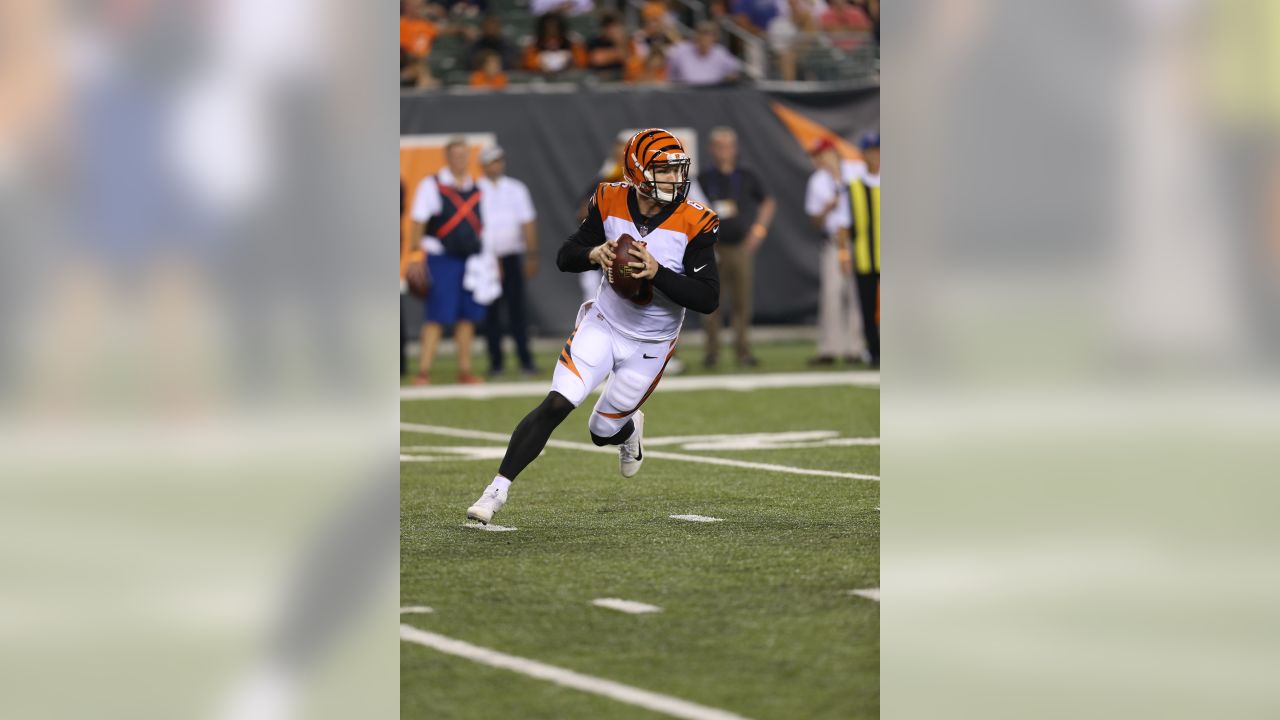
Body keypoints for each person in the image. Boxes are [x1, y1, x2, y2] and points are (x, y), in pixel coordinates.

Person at [466, 128, 721, 525]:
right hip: (604, 323)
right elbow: (566, 256)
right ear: (637, 171)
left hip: (651, 343)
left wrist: (656, 273)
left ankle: (628, 430)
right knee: (557, 402)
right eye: (664, 171)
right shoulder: (609, 197)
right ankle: (495, 491)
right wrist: (593, 252)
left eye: (677, 170)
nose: (675, 179)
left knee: (601, 431)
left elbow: (708, 298)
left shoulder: (696, 221)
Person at [409, 137, 488, 385]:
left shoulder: (476, 187)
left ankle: (464, 369)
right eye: (455, 155)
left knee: (466, 317)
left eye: (464, 154)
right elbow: (418, 221)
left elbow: (484, 226)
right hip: (441, 258)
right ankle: (423, 371)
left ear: (469, 157)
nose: (460, 159)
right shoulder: (431, 185)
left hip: (471, 259)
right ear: (447, 157)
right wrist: (415, 255)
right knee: (437, 316)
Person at [697, 126, 775, 368]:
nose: (724, 151)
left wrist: (759, 230)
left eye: (729, 146)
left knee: (742, 302)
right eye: (719, 146)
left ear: (735, 149)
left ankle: (743, 352)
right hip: (713, 248)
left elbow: (768, 202)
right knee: (710, 302)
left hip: (740, 246)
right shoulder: (703, 178)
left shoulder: (746, 176)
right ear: (711, 149)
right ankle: (712, 353)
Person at [477, 145, 539, 376]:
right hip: (486, 259)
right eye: (493, 161)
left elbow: (528, 222)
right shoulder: (475, 189)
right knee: (491, 313)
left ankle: (526, 360)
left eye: (499, 160)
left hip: (512, 255)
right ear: (483, 164)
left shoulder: (516, 188)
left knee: (517, 311)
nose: (497, 165)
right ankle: (496, 363)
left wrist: (532, 254)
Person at [804, 136, 865, 365]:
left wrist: (840, 179)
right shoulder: (817, 181)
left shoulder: (855, 170)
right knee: (832, 295)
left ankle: (856, 348)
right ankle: (829, 348)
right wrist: (827, 209)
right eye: (816, 156)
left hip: (857, 239)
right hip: (833, 241)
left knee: (857, 295)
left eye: (823, 154)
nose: (820, 159)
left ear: (834, 153)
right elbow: (815, 220)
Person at [842, 132, 880, 366]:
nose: (874, 156)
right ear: (863, 155)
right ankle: (874, 351)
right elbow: (843, 224)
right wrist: (844, 253)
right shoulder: (854, 187)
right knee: (866, 308)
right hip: (865, 256)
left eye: (877, 151)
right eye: (870, 152)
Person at [666, 22, 742, 86]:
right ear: (696, 37)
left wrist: (729, 79)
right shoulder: (680, 51)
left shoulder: (721, 53)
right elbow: (671, 76)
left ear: (714, 39)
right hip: (685, 94)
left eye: (708, 37)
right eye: (702, 36)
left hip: (712, 95)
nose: (704, 41)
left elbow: (734, 73)